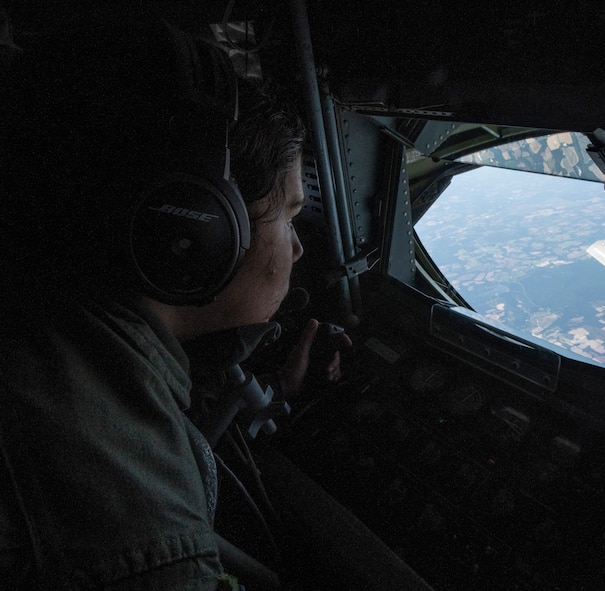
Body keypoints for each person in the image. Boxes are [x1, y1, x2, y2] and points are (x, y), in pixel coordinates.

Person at [0, 11, 349, 590]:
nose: (297, 248)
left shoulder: (40, 305)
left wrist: (278, 391)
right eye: (289, 215)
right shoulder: (146, 545)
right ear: (198, 228)